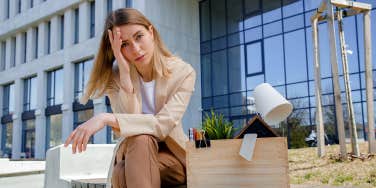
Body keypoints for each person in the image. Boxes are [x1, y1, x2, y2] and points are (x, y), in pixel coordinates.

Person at [63, 8, 196, 188]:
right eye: (124, 44)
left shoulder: (183, 72)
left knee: (122, 171)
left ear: (151, 32)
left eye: (139, 36)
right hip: (135, 153)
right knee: (135, 148)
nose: (135, 49)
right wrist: (125, 75)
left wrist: (106, 118)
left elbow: (162, 125)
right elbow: (129, 127)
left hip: (173, 159)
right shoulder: (114, 78)